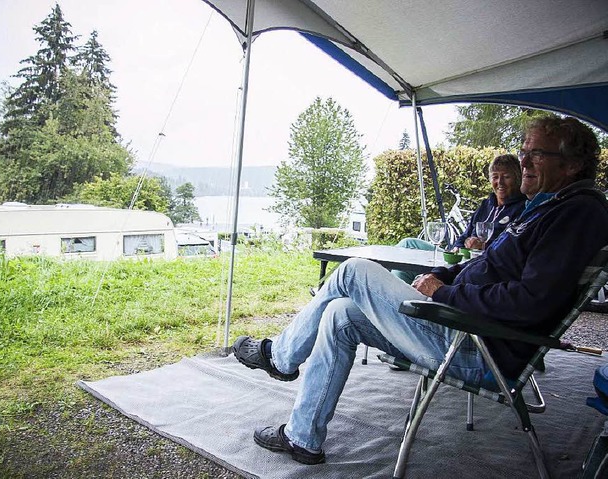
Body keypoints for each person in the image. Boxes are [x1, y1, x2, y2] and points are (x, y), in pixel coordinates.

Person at [231, 116, 608, 465]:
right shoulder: (543, 206)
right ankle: (303, 438)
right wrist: (444, 275)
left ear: (572, 165)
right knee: (339, 314)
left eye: (535, 153)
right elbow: (489, 265)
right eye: (523, 150)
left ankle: (280, 358)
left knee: (353, 272)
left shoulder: (576, 214)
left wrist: (442, 295)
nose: (523, 161)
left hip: (476, 348)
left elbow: (531, 302)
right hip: (462, 331)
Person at [394, 154, 526, 283]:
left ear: (517, 179)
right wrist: (457, 247)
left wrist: (484, 246)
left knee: (407, 274)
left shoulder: (522, 209)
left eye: (506, 177)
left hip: (476, 267)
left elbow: (510, 249)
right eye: (495, 177)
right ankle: (400, 295)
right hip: (459, 259)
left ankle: (398, 298)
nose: (500, 182)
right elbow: (465, 235)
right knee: (408, 244)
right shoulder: (486, 205)